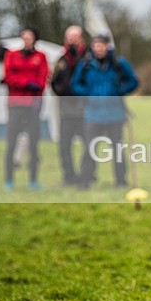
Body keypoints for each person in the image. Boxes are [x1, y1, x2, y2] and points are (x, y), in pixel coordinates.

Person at [71, 34, 139, 189]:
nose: (98, 48)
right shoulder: (86, 64)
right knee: (90, 148)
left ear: (108, 46)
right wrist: (87, 94)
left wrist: (120, 91)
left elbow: (134, 81)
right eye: (96, 45)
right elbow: (75, 84)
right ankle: (85, 180)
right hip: (93, 114)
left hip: (115, 113)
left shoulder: (119, 63)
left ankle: (120, 180)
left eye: (101, 45)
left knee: (117, 149)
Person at [1, 27, 49, 190]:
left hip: (33, 105)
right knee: (11, 142)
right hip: (15, 104)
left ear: (35, 39)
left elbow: (42, 81)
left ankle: (33, 180)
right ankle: (9, 180)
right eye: (24, 37)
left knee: (34, 144)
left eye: (30, 37)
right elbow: (8, 77)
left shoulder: (40, 57)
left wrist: (32, 84)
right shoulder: (12, 55)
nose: (26, 40)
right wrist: (26, 83)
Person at [51, 25, 88, 186]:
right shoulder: (61, 60)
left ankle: (86, 175)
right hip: (66, 111)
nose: (72, 40)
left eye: (75, 37)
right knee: (64, 146)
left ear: (81, 38)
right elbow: (54, 83)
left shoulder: (88, 58)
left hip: (85, 111)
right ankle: (69, 176)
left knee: (89, 146)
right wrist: (63, 92)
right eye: (69, 37)